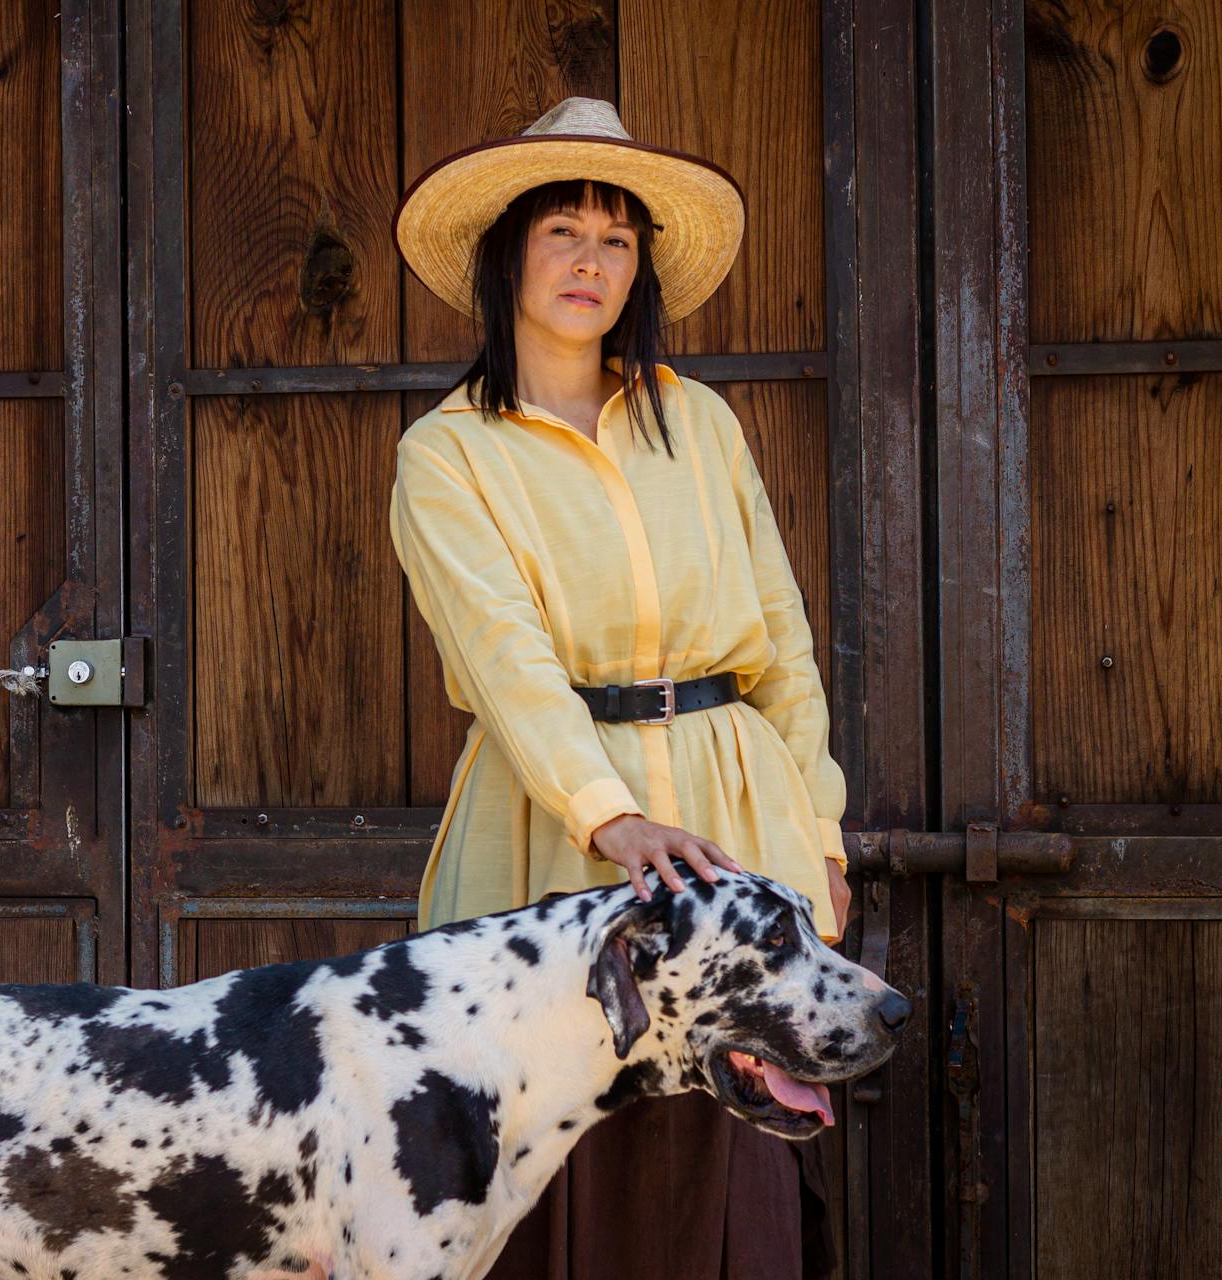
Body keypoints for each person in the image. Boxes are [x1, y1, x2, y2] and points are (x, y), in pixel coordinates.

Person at [388, 97, 851, 1279]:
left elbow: (781, 644)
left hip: (736, 814)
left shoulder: (698, 422)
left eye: (617, 237)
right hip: (546, 827)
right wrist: (611, 814)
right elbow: (506, 661)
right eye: (562, 232)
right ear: (506, 257)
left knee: (731, 1141)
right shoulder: (449, 455)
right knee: (548, 1132)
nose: (591, 261)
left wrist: (820, 830)